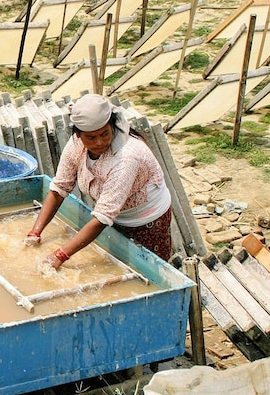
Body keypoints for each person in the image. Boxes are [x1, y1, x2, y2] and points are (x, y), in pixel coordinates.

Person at [25, 94, 172, 268]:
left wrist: (60, 255)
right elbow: (59, 188)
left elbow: (103, 218)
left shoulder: (126, 159)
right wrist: (35, 232)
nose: (99, 142)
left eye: (105, 134)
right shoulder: (76, 145)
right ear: (78, 135)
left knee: (149, 270)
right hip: (113, 215)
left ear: (112, 127)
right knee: (114, 265)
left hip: (146, 221)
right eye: (91, 137)